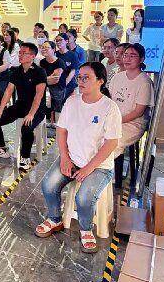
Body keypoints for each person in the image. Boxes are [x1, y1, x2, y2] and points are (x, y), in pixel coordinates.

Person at [36, 62, 121, 254]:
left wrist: (89, 168)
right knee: (48, 185)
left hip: (99, 166)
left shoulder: (110, 107)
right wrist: (65, 158)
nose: (81, 81)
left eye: (86, 78)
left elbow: (111, 143)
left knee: (83, 198)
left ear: (100, 81)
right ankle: (55, 219)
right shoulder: (72, 101)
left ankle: (86, 229)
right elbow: (61, 130)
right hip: (73, 159)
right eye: (79, 77)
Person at [0, 43, 47, 169]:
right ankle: (1, 148)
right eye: (20, 52)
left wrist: (31, 114)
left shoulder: (39, 72)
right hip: (20, 106)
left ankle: (25, 157)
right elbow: (9, 90)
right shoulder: (17, 71)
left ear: (32, 56)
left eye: (24, 53)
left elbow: (38, 96)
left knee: (26, 127)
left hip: (37, 109)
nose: (20, 55)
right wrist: (0, 109)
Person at [109, 44, 154, 189]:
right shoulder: (117, 77)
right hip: (114, 119)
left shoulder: (145, 82)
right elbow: (109, 101)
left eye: (132, 55)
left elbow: (138, 112)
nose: (127, 58)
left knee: (110, 142)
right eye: (126, 55)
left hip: (133, 123)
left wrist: (116, 121)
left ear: (142, 59)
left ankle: (105, 173)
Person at [38, 41, 67, 124]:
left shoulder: (59, 62)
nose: (44, 49)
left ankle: (59, 126)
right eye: (42, 47)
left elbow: (54, 80)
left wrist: (43, 80)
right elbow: (40, 78)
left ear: (53, 49)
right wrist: (45, 79)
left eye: (46, 48)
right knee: (46, 107)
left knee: (57, 109)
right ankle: (50, 124)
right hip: (46, 89)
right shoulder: (42, 62)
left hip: (58, 89)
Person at [55, 33, 79, 99]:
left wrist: (65, 83)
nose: (58, 42)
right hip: (56, 84)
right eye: (57, 41)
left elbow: (73, 71)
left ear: (66, 41)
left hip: (68, 85)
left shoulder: (72, 55)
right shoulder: (55, 54)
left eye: (60, 40)